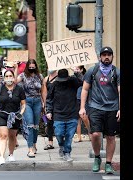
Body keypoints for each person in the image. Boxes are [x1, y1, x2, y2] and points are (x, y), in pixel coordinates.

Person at [79, 46, 120, 174]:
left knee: (110, 136)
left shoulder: (116, 72)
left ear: (112, 57)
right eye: (104, 55)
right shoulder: (93, 70)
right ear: (100, 57)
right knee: (95, 134)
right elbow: (85, 89)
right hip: (95, 107)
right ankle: (97, 157)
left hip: (112, 108)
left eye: (109, 55)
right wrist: (82, 108)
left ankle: (108, 163)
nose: (106, 57)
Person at [0, 69, 26, 165]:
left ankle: (11, 154)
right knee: (3, 135)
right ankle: (1, 157)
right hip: (1, 115)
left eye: (10, 76)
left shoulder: (19, 89)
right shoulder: (0, 88)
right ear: (4, 78)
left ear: (13, 77)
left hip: (14, 116)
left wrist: (21, 113)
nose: (9, 78)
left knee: (12, 136)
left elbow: (23, 104)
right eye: (6, 76)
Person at [46, 69, 82, 162]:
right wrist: (49, 111)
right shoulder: (54, 84)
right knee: (58, 133)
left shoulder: (73, 82)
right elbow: (49, 99)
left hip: (72, 113)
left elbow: (83, 82)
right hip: (58, 114)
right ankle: (61, 145)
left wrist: (77, 73)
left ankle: (67, 153)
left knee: (69, 135)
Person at [15, 59, 44, 158]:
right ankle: (30, 148)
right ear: (27, 67)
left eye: (33, 67)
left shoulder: (40, 76)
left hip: (37, 101)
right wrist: (15, 68)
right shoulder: (23, 75)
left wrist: (44, 103)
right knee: (30, 125)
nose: (31, 68)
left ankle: (34, 144)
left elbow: (43, 90)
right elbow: (14, 82)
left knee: (36, 126)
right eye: (30, 67)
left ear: (35, 66)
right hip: (26, 102)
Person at [73, 65, 91, 142]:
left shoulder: (85, 76)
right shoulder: (73, 77)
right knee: (77, 119)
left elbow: (83, 80)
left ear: (81, 69)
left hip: (84, 99)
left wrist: (76, 73)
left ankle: (90, 132)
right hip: (75, 98)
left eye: (77, 69)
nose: (75, 70)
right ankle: (79, 136)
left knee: (84, 117)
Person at [41, 69, 58, 150]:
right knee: (49, 123)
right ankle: (50, 142)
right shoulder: (46, 79)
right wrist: (45, 104)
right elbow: (44, 92)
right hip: (50, 104)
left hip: (59, 104)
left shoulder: (60, 77)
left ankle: (62, 141)